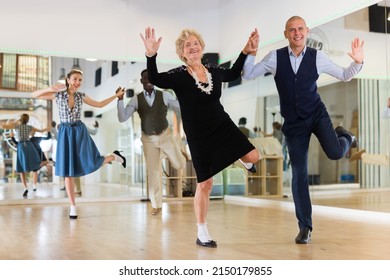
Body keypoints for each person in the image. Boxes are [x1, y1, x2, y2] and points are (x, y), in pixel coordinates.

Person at [242, 16, 364, 244]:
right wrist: (250, 53)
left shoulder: (318, 57)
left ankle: (347, 135)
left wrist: (357, 62)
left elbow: (345, 75)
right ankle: (305, 227)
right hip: (294, 124)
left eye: (300, 29)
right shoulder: (275, 58)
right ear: (286, 34)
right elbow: (247, 74)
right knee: (299, 174)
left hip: (316, 114)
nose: (296, 33)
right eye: (292, 30)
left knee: (337, 153)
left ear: (307, 31)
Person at [141, 27, 260, 248]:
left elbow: (234, 73)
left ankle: (242, 158)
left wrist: (245, 51)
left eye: (195, 43)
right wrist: (151, 55)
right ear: (182, 53)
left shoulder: (213, 71)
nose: (192, 47)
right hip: (198, 135)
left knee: (254, 156)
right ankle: (202, 231)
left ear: (202, 47)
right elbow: (156, 78)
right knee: (205, 183)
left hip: (222, 125)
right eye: (187, 45)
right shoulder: (178, 76)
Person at [31, 69, 126, 219]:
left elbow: (100, 104)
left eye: (80, 80)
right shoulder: (58, 95)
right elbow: (33, 95)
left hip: (79, 132)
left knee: (90, 161)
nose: (77, 82)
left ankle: (113, 157)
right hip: (65, 134)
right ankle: (73, 207)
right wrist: (50, 88)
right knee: (68, 172)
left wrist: (116, 96)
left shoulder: (81, 96)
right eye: (75, 79)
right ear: (68, 80)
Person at [117, 69, 186, 215]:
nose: (148, 80)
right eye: (145, 78)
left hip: (165, 135)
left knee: (180, 164)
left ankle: (168, 153)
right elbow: (122, 117)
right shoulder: (136, 99)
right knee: (154, 172)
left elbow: (181, 108)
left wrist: (180, 90)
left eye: (150, 77)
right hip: (148, 139)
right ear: (141, 81)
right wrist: (120, 100)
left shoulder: (165, 95)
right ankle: (157, 205)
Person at [1, 114, 49, 197]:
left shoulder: (16, 125)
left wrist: (13, 123)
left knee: (21, 169)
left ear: (20, 119)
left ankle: (25, 188)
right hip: (30, 146)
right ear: (28, 120)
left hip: (21, 147)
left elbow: (3, 126)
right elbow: (41, 131)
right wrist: (48, 128)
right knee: (36, 164)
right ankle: (48, 163)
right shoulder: (30, 127)